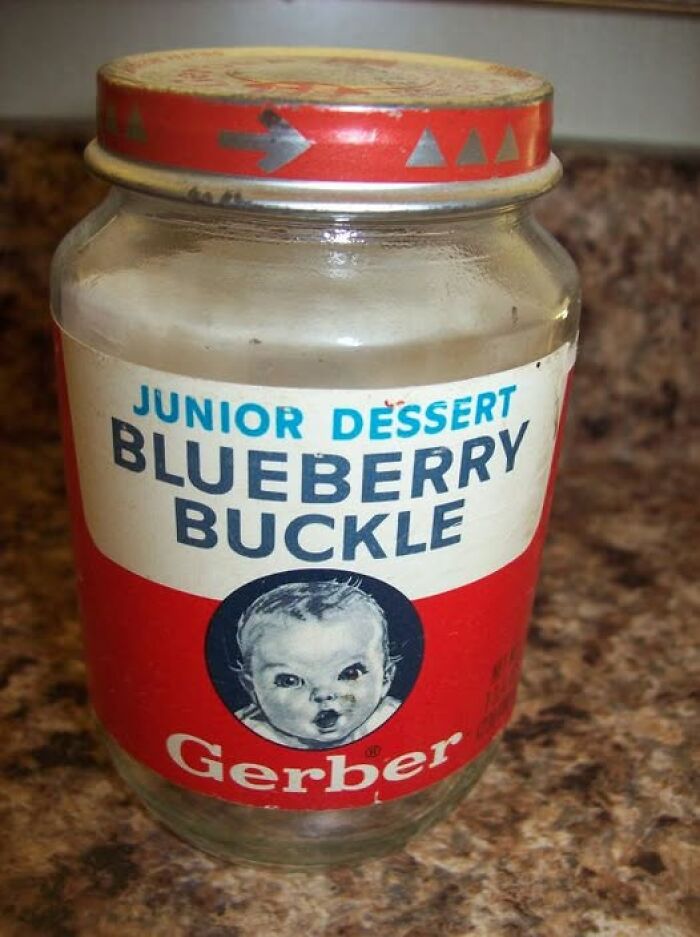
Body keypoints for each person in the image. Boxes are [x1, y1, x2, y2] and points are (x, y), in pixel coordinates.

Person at [234, 579, 401, 749]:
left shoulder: (392, 719)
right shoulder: (244, 734)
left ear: (385, 679)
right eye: (290, 681)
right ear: (252, 688)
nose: (323, 694)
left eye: (350, 674)